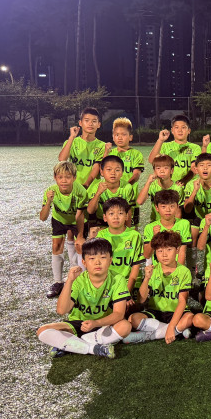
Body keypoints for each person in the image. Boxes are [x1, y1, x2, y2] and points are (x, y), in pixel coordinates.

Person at [35, 238, 131, 359]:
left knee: (125, 326)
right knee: (42, 331)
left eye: (103, 257)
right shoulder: (78, 280)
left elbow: (119, 314)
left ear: (110, 260)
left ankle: (71, 344)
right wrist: (69, 281)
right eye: (92, 258)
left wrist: (96, 323)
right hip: (79, 324)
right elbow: (61, 310)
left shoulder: (118, 279)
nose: (97, 262)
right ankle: (93, 348)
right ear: (84, 262)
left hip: (103, 324)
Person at [123, 231, 194, 345]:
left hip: (176, 312)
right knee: (133, 318)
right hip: (156, 313)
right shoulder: (153, 269)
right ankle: (178, 331)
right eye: (160, 251)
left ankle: (147, 336)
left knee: (190, 317)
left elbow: (182, 301)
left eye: (169, 250)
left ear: (177, 250)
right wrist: (146, 278)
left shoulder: (184, 271)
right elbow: (141, 300)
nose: (164, 254)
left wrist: (171, 326)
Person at [57, 107, 106, 265]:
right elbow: (62, 159)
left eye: (94, 121)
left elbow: (96, 168)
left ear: (99, 124)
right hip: (73, 190)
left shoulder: (101, 145)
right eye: (87, 121)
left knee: (90, 230)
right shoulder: (72, 142)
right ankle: (75, 267)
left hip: (91, 190)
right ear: (80, 123)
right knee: (71, 232)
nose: (90, 124)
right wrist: (72, 137)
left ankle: (87, 265)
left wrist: (85, 185)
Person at [40, 160, 87, 299]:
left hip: (76, 219)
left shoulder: (80, 191)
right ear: (55, 178)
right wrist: (48, 202)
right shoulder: (50, 191)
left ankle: (81, 280)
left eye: (68, 177)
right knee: (56, 246)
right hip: (59, 219)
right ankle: (58, 282)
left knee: (80, 245)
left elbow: (80, 215)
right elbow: (43, 217)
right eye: (60, 177)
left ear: (74, 178)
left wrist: (80, 236)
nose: (64, 180)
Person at [92, 198, 144, 303]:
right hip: (108, 284)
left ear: (127, 216)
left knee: (129, 309)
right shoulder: (101, 236)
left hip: (130, 284)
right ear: (105, 217)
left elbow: (135, 267)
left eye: (120, 213)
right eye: (111, 214)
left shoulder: (134, 236)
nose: (116, 217)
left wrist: (125, 293)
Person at [85, 155, 137, 231]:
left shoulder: (127, 187)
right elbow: (90, 211)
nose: (113, 173)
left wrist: (126, 231)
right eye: (109, 169)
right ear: (102, 172)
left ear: (122, 173)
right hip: (101, 221)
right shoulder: (96, 187)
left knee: (133, 231)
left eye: (117, 170)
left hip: (119, 221)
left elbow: (128, 211)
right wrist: (98, 193)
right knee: (94, 231)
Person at [147, 114, 201, 185]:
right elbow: (151, 160)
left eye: (183, 127)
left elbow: (194, 168)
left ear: (189, 130)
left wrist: (184, 181)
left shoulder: (195, 148)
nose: (180, 130)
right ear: (172, 130)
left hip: (188, 185)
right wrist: (160, 140)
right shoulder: (165, 146)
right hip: (167, 185)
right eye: (176, 127)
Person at [141, 189, 191, 264]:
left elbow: (182, 252)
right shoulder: (150, 227)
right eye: (163, 207)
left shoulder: (184, 224)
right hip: (157, 269)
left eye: (172, 206)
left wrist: (179, 270)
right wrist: (154, 237)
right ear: (157, 208)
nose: (168, 210)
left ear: (177, 207)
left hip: (176, 268)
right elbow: (146, 255)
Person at [182, 153, 211, 239]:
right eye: (201, 165)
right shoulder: (191, 185)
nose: (205, 168)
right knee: (192, 237)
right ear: (196, 170)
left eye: (209, 165)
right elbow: (187, 209)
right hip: (199, 218)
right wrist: (195, 191)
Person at [136, 155, 180, 223]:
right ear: (154, 171)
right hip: (155, 222)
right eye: (158, 168)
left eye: (166, 168)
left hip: (172, 224)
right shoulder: (152, 186)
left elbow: (178, 212)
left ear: (172, 170)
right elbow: (140, 201)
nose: (162, 171)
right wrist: (148, 182)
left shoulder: (178, 188)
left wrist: (174, 226)